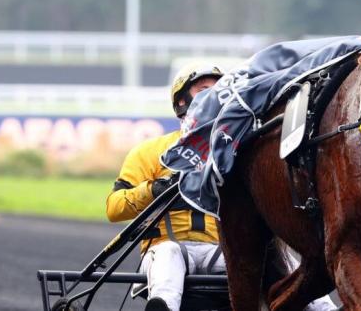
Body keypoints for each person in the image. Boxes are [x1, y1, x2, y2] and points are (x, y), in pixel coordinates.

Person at [107, 63, 336, 311]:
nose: (215, 97)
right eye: (205, 90)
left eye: (220, 91)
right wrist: (154, 190)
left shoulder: (238, 153)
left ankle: (325, 308)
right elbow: (114, 208)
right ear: (182, 102)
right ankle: (163, 306)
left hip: (223, 252)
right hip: (167, 251)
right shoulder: (151, 152)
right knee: (169, 253)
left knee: (282, 256)